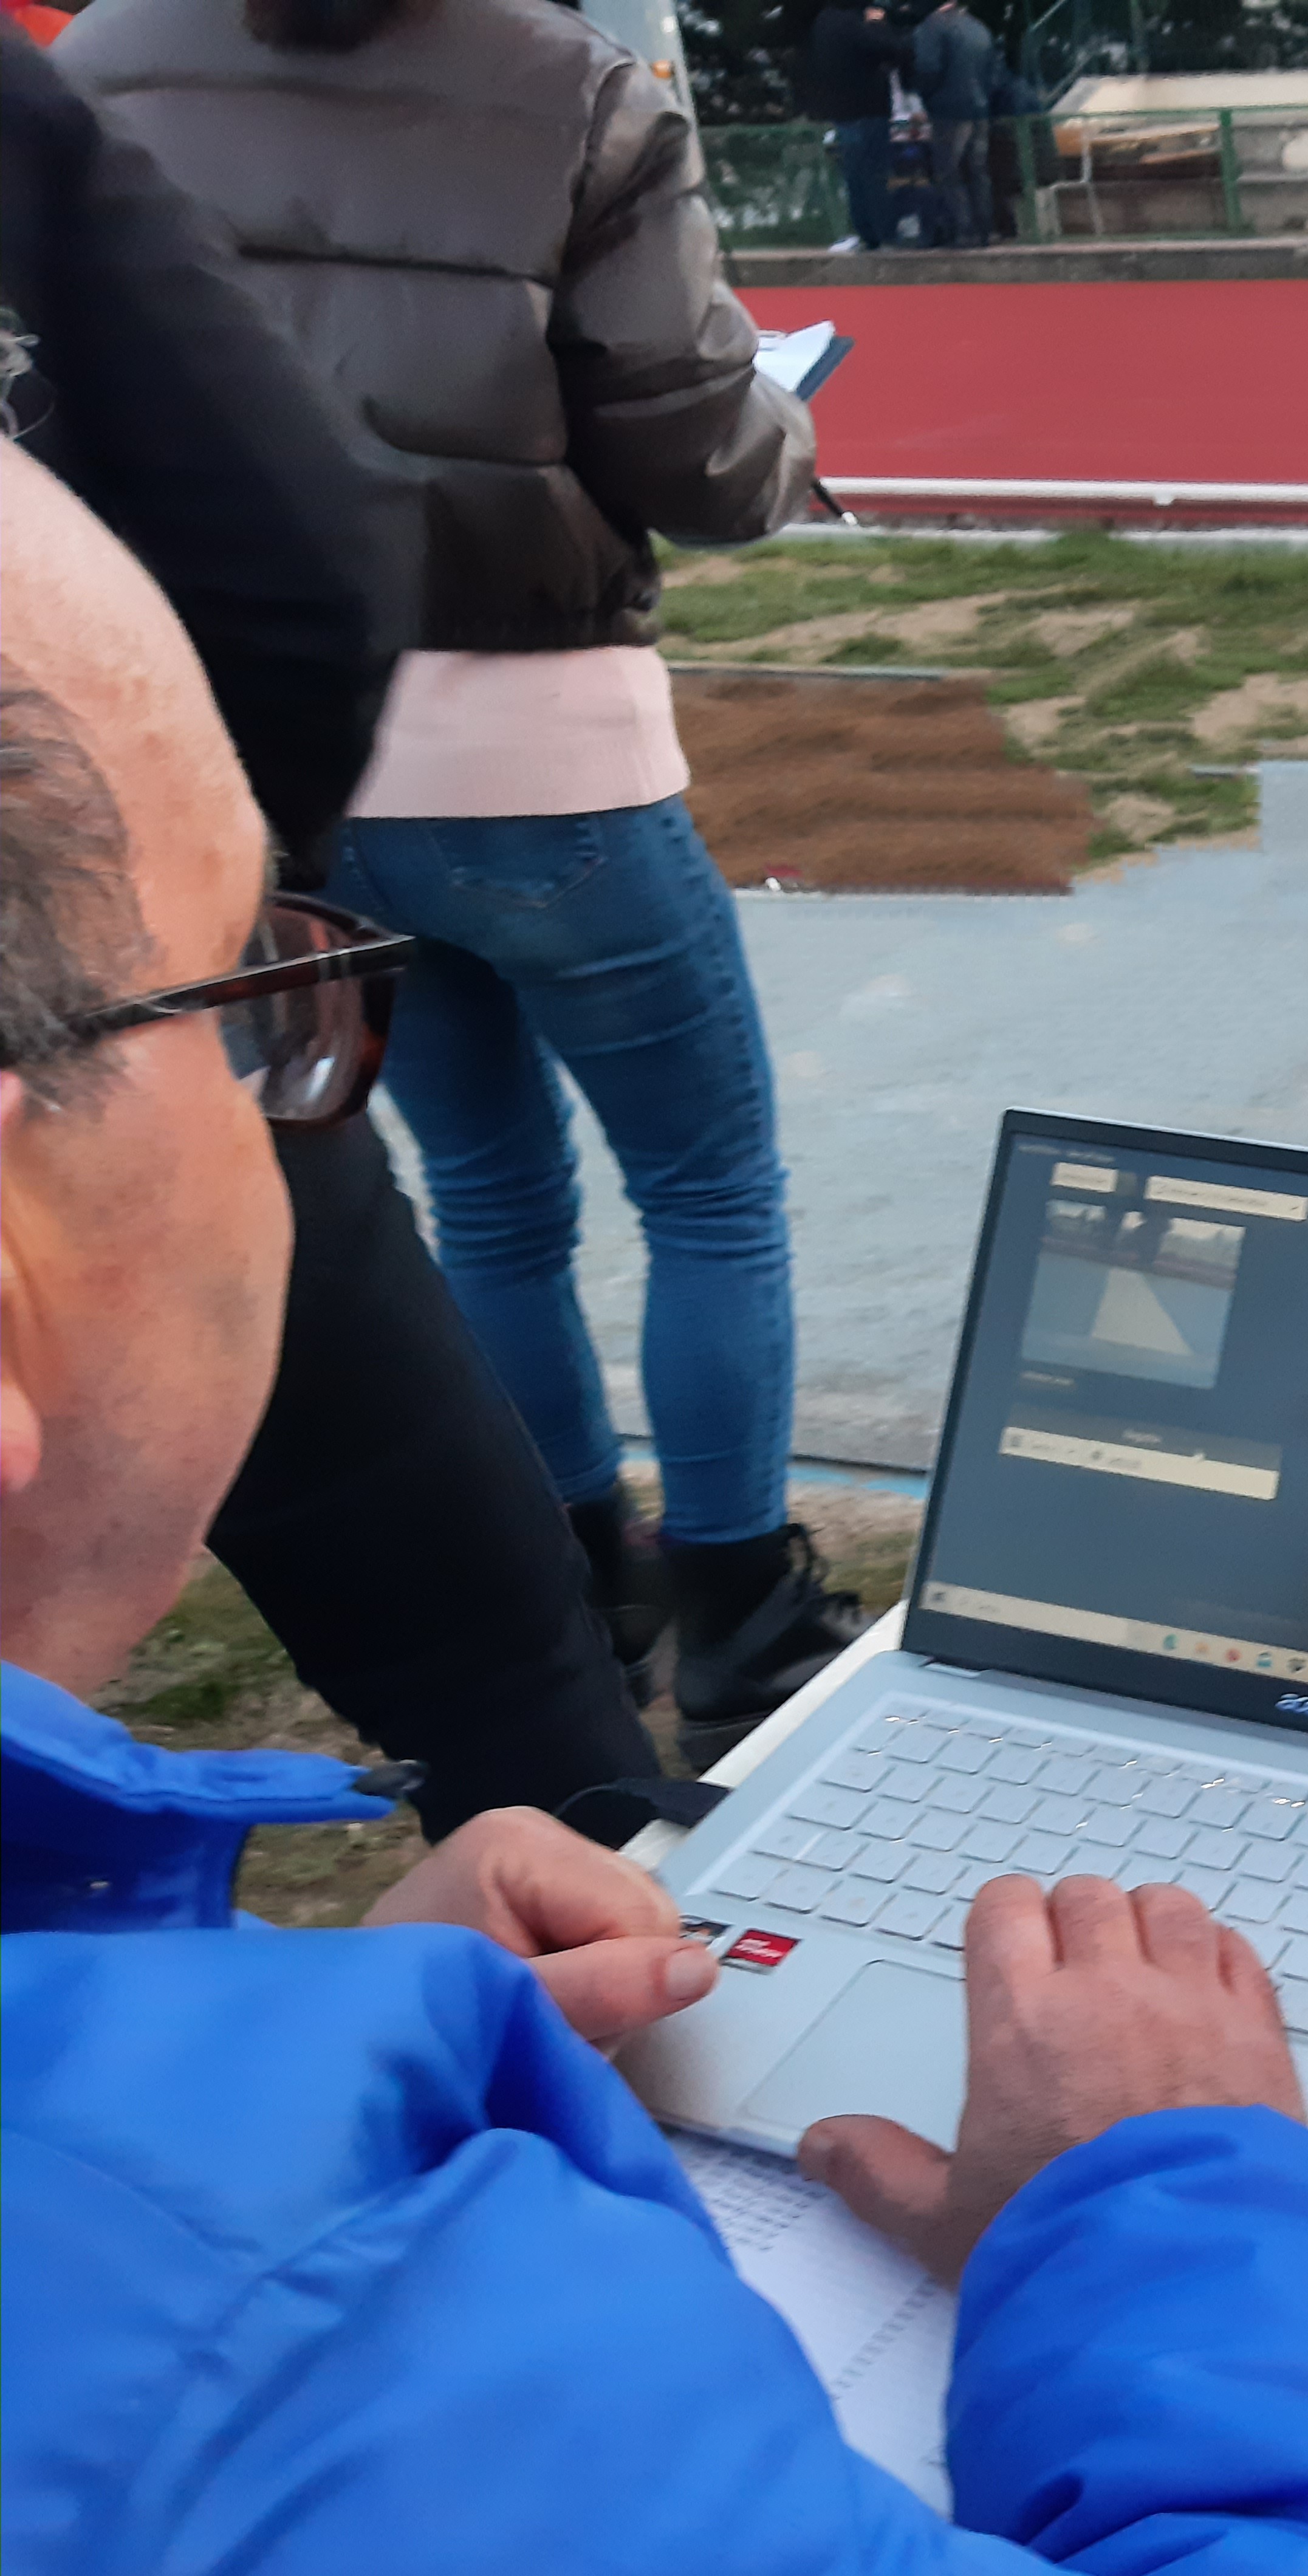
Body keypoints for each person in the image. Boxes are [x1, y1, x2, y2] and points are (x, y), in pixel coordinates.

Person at [0, 445, 1308, 2576]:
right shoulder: (279, 2346)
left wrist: (294, 2061)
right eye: (254, 1005)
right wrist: (1180, 2191)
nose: (300, 1101)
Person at [71, 0, 866, 1767]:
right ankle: (741, 1609)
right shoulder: (569, 93)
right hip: (545, 749)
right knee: (710, 1189)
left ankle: (573, 1584)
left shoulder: (101, 66)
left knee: (492, 1200)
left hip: (292, 761)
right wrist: (787, 431)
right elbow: (694, 448)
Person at [3, 22, 664, 1837]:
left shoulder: (112, 60)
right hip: (112, 1008)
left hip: (117, 995)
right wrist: (184, 912)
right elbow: (297, 557)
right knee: (508, 1691)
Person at [807, 0, 912, 253]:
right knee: (875, 173)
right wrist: (878, 25)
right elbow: (889, 49)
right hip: (868, 110)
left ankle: (867, 233)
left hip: (843, 111)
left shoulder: (824, 22)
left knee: (855, 176)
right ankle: (886, 234)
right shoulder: (851, 25)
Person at [910, 0, 1004, 249]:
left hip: (948, 109)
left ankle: (964, 230)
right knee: (978, 170)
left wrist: (927, 101)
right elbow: (994, 72)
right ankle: (986, 229)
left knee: (949, 172)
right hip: (980, 108)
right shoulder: (978, 28)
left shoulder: (932, 27)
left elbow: (928, 68)